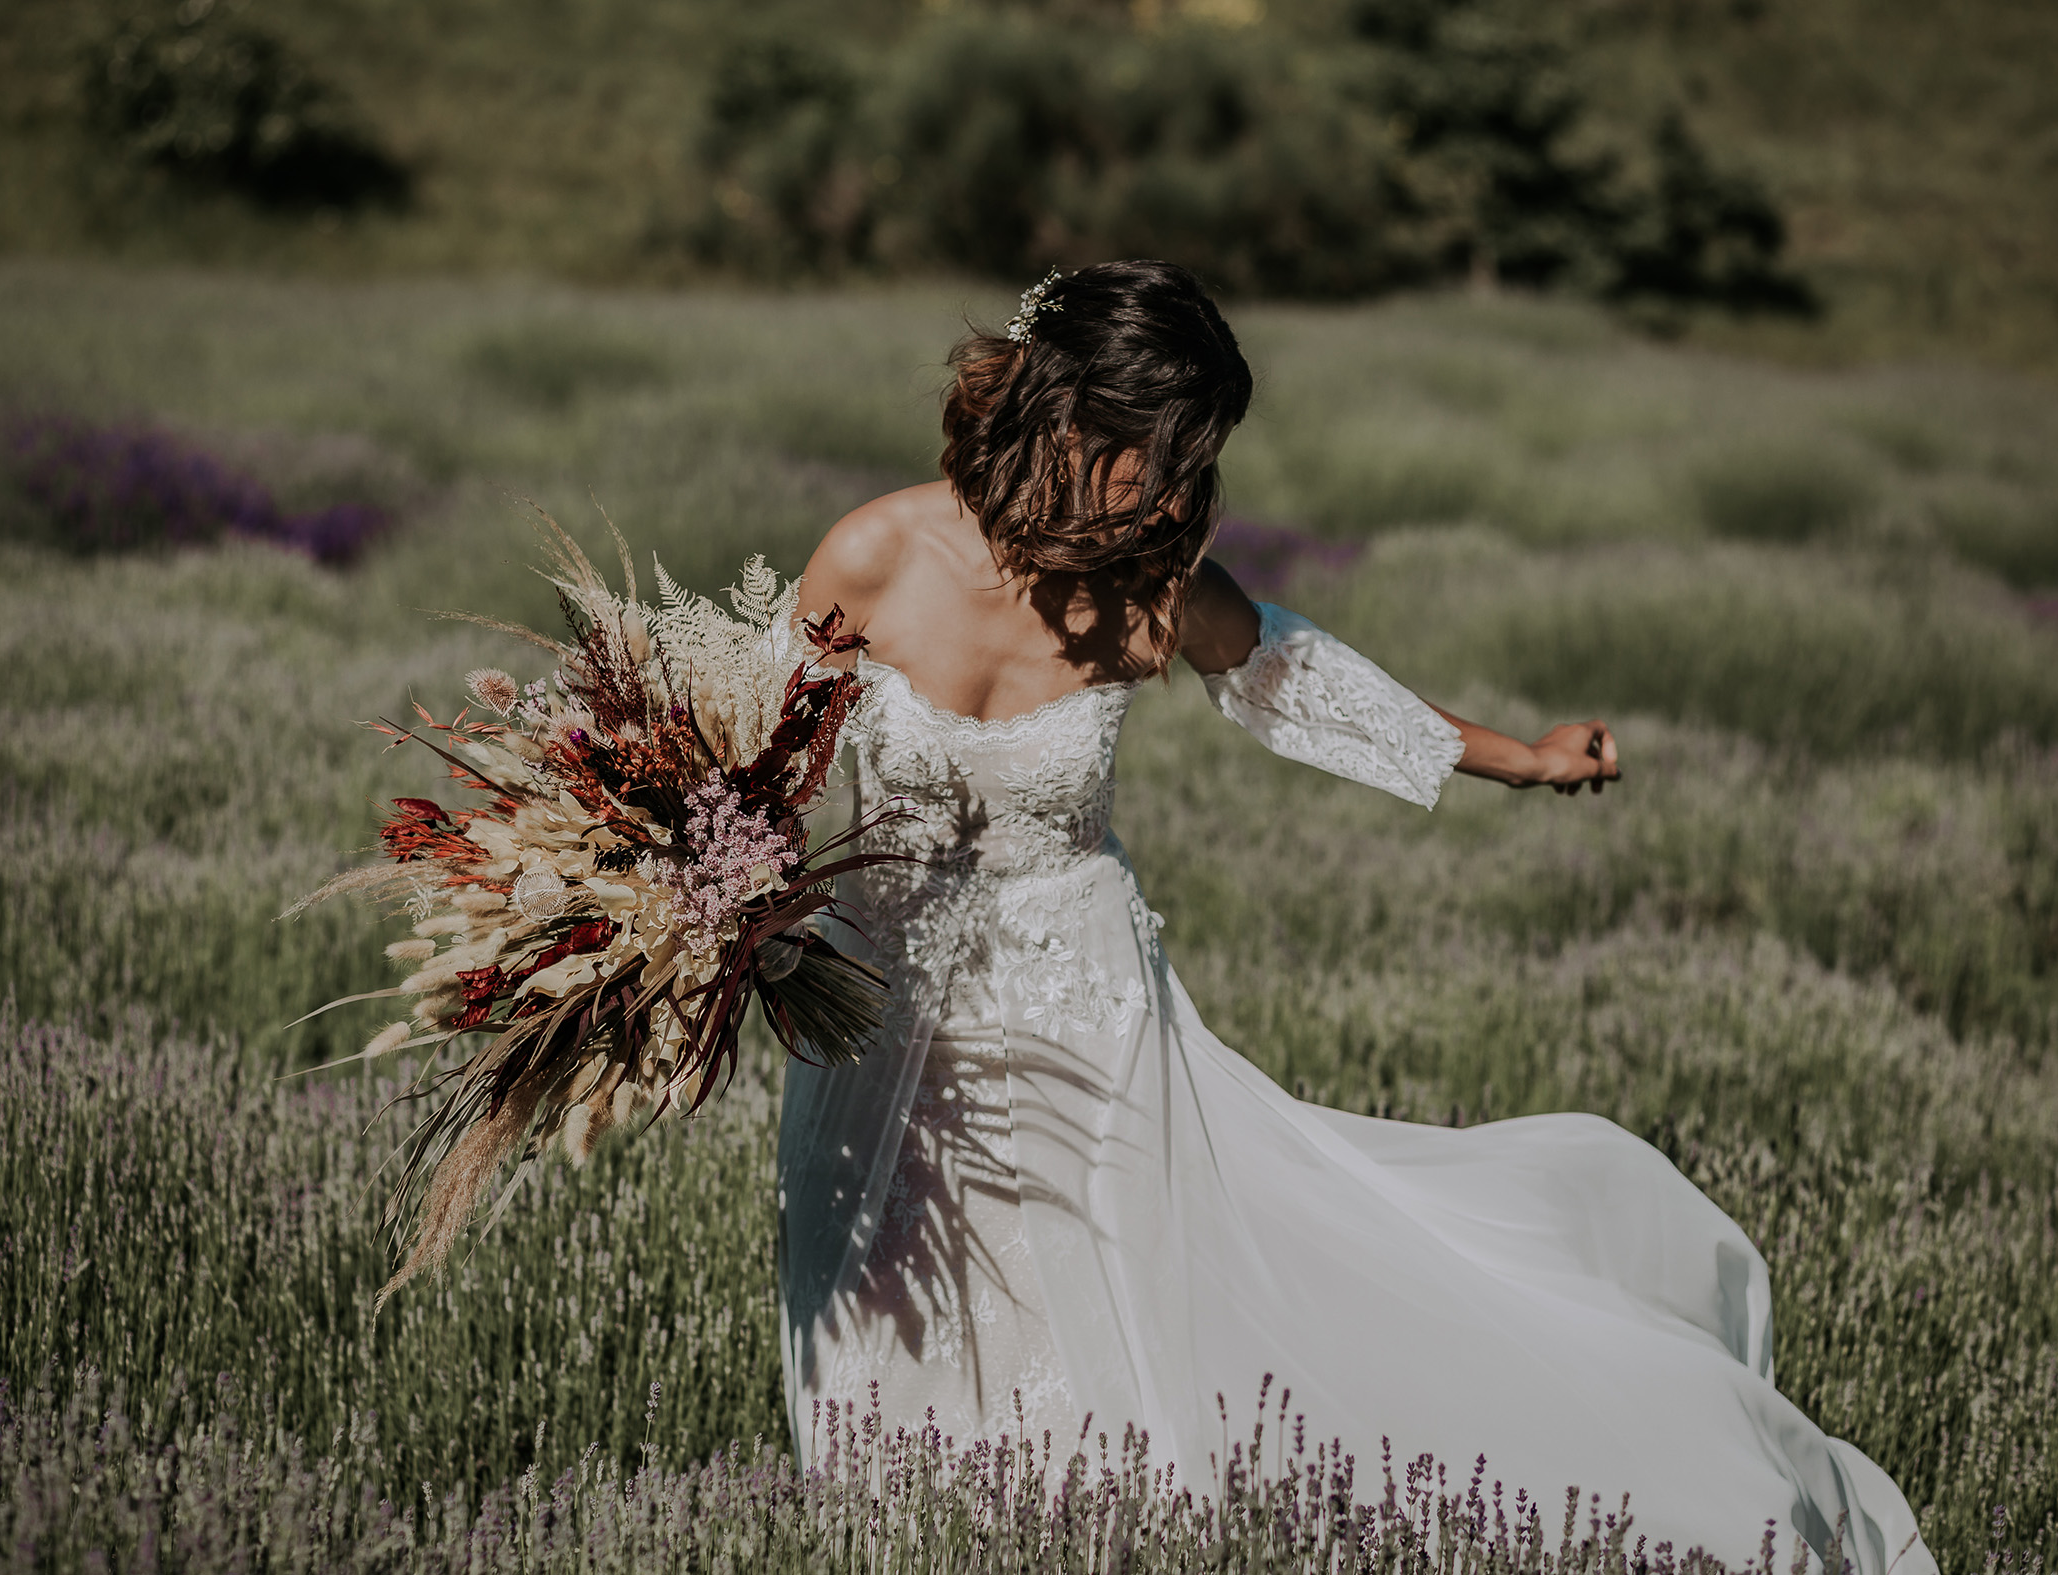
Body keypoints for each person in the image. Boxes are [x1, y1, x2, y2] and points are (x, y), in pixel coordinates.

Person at [779, 260, 1934, 1573]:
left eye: (1187, 465)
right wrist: (706, 923)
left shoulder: (1149, 584)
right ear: (1063, 412)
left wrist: (1527, 760)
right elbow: (747, 776)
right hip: (874, 1014)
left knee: (1106, 1337)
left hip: (1084, 1014)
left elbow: (1293, 674)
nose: (1166, 496)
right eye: (1148, 458)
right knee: (872, 1329)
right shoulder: (874, 555)